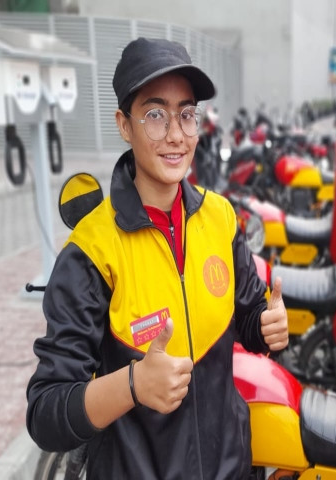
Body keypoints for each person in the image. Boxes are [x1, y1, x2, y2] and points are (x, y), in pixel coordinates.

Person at [26, 37, 289, 480]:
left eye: (187, 114)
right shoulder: (93, 251)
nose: (175, 134)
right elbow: (46, 411)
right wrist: (132, 385)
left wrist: (264, 323)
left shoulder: (221, 218)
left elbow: (245, 316)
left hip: (231, 467)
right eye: (155, 114)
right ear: (124, 125)